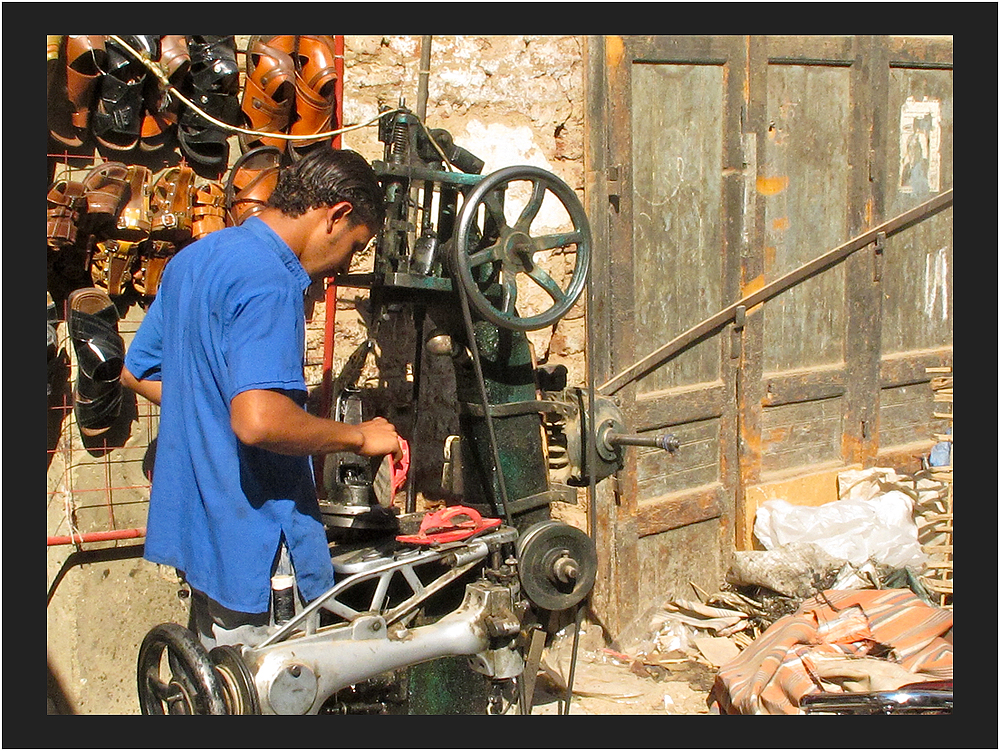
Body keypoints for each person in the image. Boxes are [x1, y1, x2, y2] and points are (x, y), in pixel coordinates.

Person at [121, 146, 401, 650]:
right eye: (356, 246)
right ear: (336, 217)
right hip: (259, 548)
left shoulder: (196, 258)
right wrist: (358, 437)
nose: (345, 264)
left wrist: (210, 401)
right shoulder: (271, 282)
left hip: (205, 540)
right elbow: (258, 422)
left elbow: (137, 370)